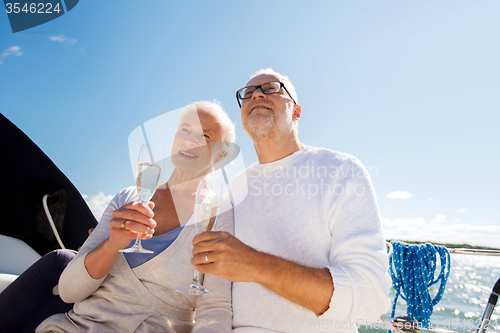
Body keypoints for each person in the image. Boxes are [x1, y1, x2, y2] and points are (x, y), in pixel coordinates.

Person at [191, 69, 392, 332]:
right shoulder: (234, 188)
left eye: (272, 88)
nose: (257, 94)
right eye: (248, 93)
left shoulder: (341, 171)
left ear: (296, 112)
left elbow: (370, 298)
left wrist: (255, 265)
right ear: (243, 120)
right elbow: (217, 298)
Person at [32, 101, 235, 332]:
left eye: (206, 135)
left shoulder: (220, 218)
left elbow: (215, 307)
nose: (190, 140)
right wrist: (112, 244)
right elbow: (69, 292)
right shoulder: (127, 197)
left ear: (223, 154)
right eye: (185, 130)